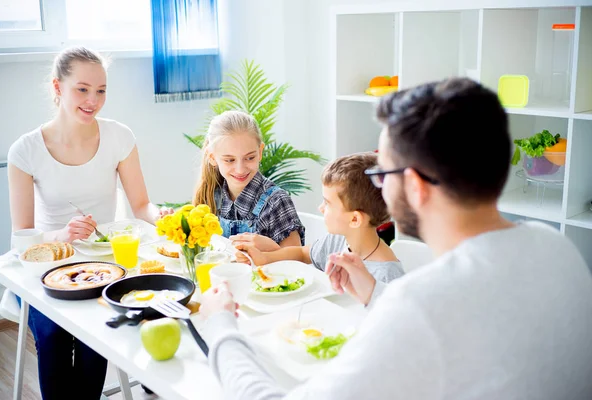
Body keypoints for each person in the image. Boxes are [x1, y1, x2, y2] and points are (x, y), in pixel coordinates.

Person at [199, 78, 592, 399]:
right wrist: (375, 293)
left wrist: (220, 328)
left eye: (381, 174)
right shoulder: (555, 247)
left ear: (416, 187)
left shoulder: (418, 305)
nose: (379, 188)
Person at [7, 46, 170, 399]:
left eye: (101, 91)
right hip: (46, 268)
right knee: (52, 336)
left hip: (104, 265)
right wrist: (62, 235)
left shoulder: (119, 137)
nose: (92, 100)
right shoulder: (25, 150)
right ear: (57, 87)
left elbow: (141, 206)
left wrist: (164, 217)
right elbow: (21, 240)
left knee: (97, 330)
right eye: (82, 89)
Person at [235, 152, 404, 283]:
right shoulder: (337, 241)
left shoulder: (386, 277)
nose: (320, 208)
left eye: (327, 203)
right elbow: (302, 253)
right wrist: (264, 258)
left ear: (355, 220)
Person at [193, 110, 304, 250]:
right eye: (229, 160)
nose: (240, 169)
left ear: (260, 152)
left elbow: (296, 263)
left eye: (250, 158)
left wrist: (271, 249)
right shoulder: (210, 194)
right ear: (212, 157)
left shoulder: (276, 201)